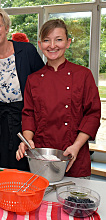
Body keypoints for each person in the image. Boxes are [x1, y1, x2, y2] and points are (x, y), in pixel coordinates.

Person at [16, 19, 101, 178]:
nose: (52, 45)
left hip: (74, 156)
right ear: (40, 45)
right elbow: (28, 114)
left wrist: (76, 147)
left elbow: (93, 114)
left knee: (75, 201)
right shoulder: (33, 79)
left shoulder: (83, 75)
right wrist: (27, 141)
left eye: (59, 39)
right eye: (47, 40)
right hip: (42, 158)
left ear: (68, 43)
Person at [0, 8, 44, 171]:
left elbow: (42, 83)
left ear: (7, 28)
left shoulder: (27, 51)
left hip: (24, 121)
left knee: (23, 169)